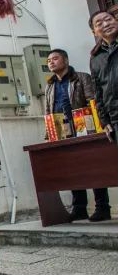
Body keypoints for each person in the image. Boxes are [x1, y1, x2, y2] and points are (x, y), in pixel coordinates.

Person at [45, 48, 108, 221]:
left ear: (65, 60)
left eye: (55, 58)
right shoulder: (50, 85)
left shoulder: (81, 77)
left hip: (84, 126)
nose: (51, 62)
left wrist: (98, 124)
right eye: (48, 60)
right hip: (62, 131)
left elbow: (92, 101)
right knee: (73, 170)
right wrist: (48, 134)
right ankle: (79, 208)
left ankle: (102, 207)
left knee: (94, 168)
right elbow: (48, 111)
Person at [89, 9, 118, 221]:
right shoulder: (96, 57)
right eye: (99, 23)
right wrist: (104, 121)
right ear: (95, 31)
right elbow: (98, 91)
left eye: (109, 19)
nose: (105, 23)